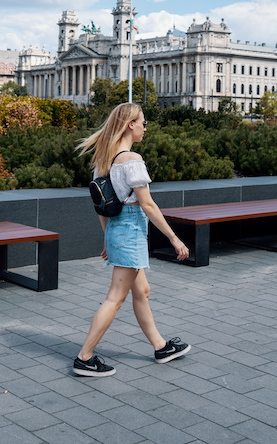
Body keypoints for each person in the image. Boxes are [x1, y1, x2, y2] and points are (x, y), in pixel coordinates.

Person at [72, 103, 191, 377]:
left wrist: (108, 239)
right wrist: (174, 238)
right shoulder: (132, 160)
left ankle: (161, 346)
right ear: (130, 125)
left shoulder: (103, 159)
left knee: (142, 291)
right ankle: (84, 357)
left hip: (118, 230)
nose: (145, 128)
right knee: (115, 298)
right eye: (143, 123)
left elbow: (101, 206)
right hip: (130, 230)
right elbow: (147, 205)